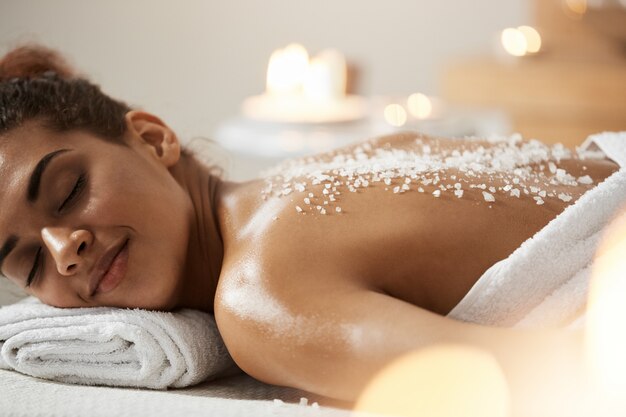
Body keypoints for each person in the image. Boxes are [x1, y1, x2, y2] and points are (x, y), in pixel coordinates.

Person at [0, 44, 619, 414]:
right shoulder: (327, 165)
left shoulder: (257, 296)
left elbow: (550, 384)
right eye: (28, 264)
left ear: (154, 138)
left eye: (69, 190)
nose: (65, 250)